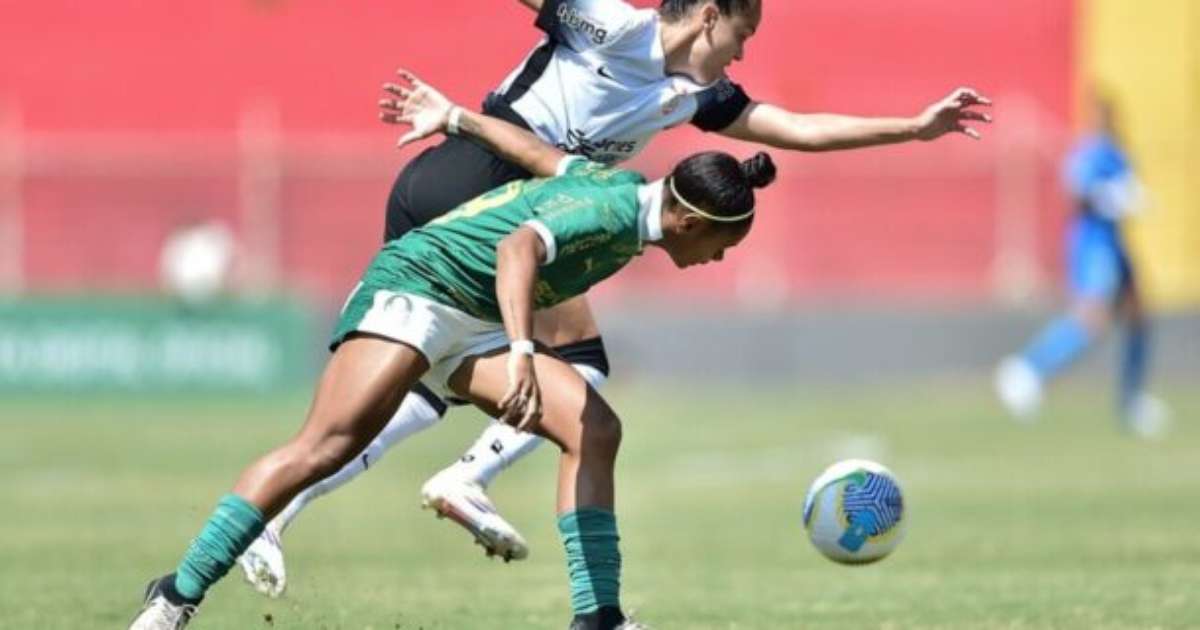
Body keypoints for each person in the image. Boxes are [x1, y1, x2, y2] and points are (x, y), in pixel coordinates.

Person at [239, 0, 994, 596]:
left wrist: (913, 128)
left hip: (516, 210)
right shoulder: (607, 23)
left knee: (431, 389)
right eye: (744, 31)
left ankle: (285, 512)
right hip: (476, 190)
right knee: (574, 369)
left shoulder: (697, 94)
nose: (744, 50)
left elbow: (795, 127)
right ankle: (469, 482)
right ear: (707, 16)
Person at [129, 70, 777, 630]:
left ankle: (598, 616)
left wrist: (457, 118)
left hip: (471, 314)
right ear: (689, 221)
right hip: (419, 289)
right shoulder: (610, 215)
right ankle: (175, 596)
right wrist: (522, 350)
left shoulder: (617, 193)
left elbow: (536, 152)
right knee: (324, 448)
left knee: (596, 429)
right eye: (723, 244)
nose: (718, 258)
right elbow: (515, 249)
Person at [994, 91, 1169, 438]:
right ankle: (1027, 370)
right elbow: (1077, 194)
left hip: (1115, 244)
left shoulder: (1119, 154)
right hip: (1094, 246)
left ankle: (1131, 400)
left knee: (1138, 317)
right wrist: (1109, 197)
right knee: (1092, 319)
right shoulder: (1087, 153)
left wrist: (1129, 198)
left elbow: (1127, 192)